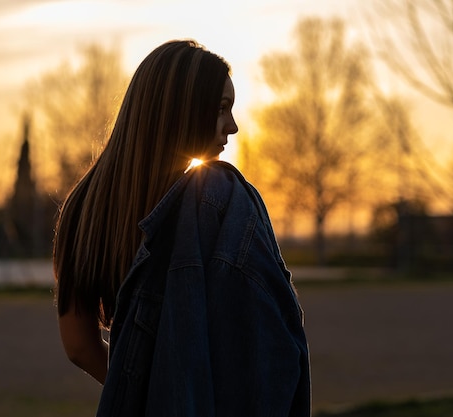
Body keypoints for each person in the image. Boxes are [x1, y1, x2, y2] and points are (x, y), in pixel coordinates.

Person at [53, 39, 311, 416]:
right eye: (222, 109)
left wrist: (148, 390)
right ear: (182, 109)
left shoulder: (83, 206)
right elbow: (270, 339)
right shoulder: (220, 202)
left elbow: (78, 345)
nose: (233, 126)